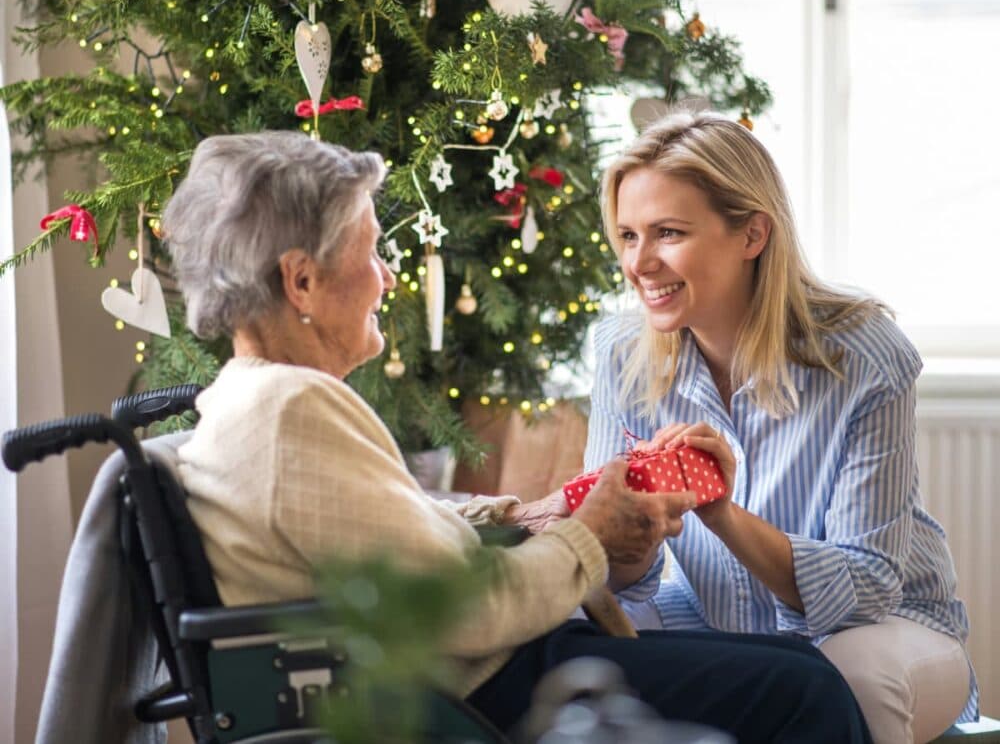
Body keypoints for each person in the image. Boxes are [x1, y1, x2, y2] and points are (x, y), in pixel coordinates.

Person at [162, 129, 873, 743]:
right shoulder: (292, 409)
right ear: (302, 281)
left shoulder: (255, 400)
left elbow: (387, 527)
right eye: (371, 252)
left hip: (479, 672)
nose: (386, 277)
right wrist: (590, 533)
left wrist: (528, 514)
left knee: (803, 670)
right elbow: (465, 611)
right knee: (806, 692)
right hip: (474, 693)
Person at [587, 110, 976, 744]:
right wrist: (627, 539)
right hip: (710, 620)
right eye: (628, 236)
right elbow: (619, 579)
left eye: (668, 233)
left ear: (752, 235)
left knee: (849, 678)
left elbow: (868, 588)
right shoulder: (619, 353)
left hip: (885, 629)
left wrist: (723, 515)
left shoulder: (864, 356)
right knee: (599, 658)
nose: (641, 262)